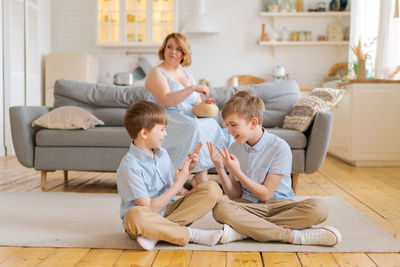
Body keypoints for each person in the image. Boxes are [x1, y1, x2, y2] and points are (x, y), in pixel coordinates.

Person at [207, 91, 342, 247]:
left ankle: (245, 230)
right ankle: (293, 236)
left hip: (281, 206)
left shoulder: (280, 147)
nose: (229, 131)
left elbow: (265, 195)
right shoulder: (235, 148)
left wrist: (237, 172)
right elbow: (234, 196)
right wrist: (221, 170)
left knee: (319, 209)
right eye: (227, 125)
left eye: (233, 125)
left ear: (253, 122)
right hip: (250, 206)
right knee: (221, 209)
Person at [116, 101, 223, 250]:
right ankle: (190, 234)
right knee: (135, 215)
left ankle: (156, 234)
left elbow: (171, 188)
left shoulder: (163, 153)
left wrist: (187, 172)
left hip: (169, 211)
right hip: (146, 219)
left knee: (212, 189)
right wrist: (178, 184)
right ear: (144, 133)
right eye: (162, 130)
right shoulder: (130, 167)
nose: (165, 134)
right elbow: (150, 209)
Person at [145, 32, 232, 187]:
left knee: (210, 124)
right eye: (169, 47)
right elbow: (167, 100)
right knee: (193, 126)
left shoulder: (187, 74)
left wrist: (204, 105)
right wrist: (192, 88)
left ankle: (201, 173)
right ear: (163, 49)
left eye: (178, 49)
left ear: (184, 53)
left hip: (186, 116)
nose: (173, 52)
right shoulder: (156, 73)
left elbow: (195, 106)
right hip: (164, 116)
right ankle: (177, 178)